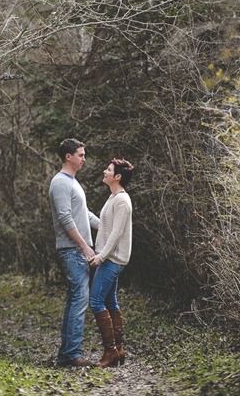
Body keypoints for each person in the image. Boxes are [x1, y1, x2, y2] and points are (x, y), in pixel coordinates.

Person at [49, 138, 100, 367]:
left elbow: (85, 215)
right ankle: (72, 354)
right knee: (80, 300)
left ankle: (67, 354)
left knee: (75, 300)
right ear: (68, 156)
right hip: (71, 251)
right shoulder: (60, 182)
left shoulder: (73, 182)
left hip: (76, 250)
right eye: (80, 154)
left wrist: (110, 226)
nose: (84, 158)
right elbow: (65, 218)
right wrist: (84, 246)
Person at [88, 157, 134, 368]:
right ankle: (119, 350)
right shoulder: (113, 198)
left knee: (96, 301)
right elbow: (105, 227)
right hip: (110, 258)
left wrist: (101, 257)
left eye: (108, 170)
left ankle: (110, 352)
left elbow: (116, 234)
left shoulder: (122, 201)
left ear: (117, 177)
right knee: (110, 302)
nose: (104, 172)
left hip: (112, 260)